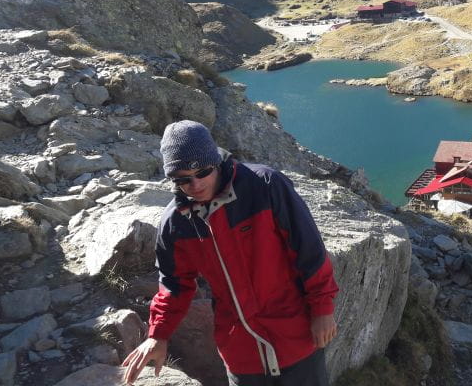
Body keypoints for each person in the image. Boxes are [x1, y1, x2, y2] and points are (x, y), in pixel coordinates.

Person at [122, 120, 339, 385]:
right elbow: (174, 284)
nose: (195, 184)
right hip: (241, 352)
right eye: (182, 179)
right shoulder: (176, 223)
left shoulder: (265, 186)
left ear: (217, 161)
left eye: (202, 172)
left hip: (296, 337)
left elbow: (309, 251)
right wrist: (158, 334)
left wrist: (322, 310)